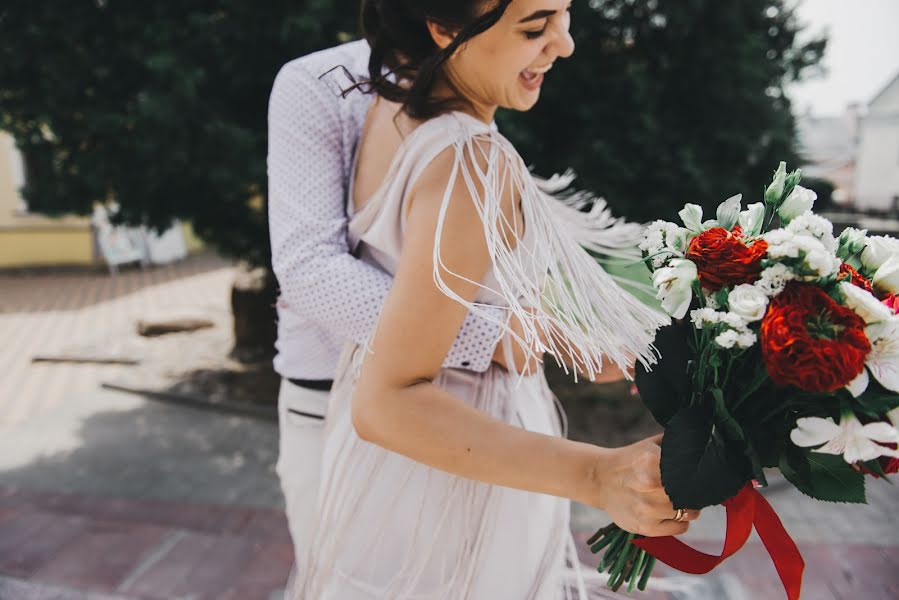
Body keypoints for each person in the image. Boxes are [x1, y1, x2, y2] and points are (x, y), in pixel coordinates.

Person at [276, 1, 701, 598]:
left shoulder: (401, 114)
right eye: (536, 26)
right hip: (451, 480)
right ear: (443, 27)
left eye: (565, 15)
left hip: (412, 474)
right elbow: (387, 399)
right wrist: (598, 475)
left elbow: (445, 286)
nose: (566, 44)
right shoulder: (468, 155)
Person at [268, 32, 559, 568]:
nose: (559, 43)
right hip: (331, 398)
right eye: (539, 24)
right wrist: (496, 336)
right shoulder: (319, 83)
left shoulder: (477, 75)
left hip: (462, 416)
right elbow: (308, 270)